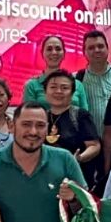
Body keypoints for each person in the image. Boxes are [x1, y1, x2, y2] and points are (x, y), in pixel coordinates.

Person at [42, 69, 101, 204]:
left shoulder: (80, 115)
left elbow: (94, 146)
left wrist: (78, 159)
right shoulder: (41, 117)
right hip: (47, 180)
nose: (58, 91)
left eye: (64, 88)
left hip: (76, 181)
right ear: (45, 92)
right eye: (53, 87)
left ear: (72, 93)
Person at [76, 30, 111, 137]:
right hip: (90, 145)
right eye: (91, 48)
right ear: (84, 52)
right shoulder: (75, 80)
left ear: (107, 49)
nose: (96, 50)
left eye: (100, 46)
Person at [22, 35, 89, 110]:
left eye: (58, 49)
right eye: (49, 49)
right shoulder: (32, 85)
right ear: (42, 53)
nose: (54, 52)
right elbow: (28, 115)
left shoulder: (78, 85)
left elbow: (85, 116)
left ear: (64, 53)